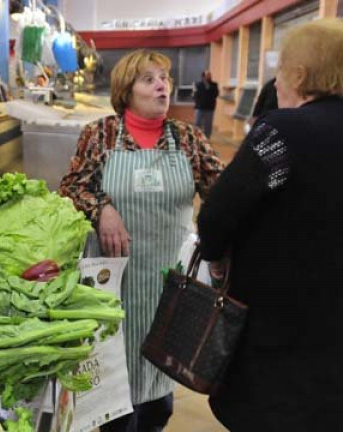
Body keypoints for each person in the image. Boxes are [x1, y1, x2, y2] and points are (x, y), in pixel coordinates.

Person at [60, 50, 225, 432]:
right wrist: (102, 208)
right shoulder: (100, 134)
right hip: (115, 281)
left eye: (164, 78)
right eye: (149, 79)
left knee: (160, 394)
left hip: (170, 281)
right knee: (117, 397)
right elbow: (72, 187)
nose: (161, 85)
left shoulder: (188, 138)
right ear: (126, 90)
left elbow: (223, 194)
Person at [197, 19, 343, 432]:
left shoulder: (284, 132)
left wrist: (218, 264)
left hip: (278, 324)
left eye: (279, 71)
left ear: (298, 74)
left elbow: (217, 215)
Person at [193, 71, 219, 137]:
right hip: (200, 107)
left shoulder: (214, 84)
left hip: (210, 107)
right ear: (203, 76)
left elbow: (216, 94)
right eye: (207, 75)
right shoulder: (198, 84)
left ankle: (207, 137)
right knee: (197, 123)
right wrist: (197, 102)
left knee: (208, 124)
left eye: (210, 75)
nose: (209, 76)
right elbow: (195, 95)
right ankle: (196, 136)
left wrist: (209, 88)